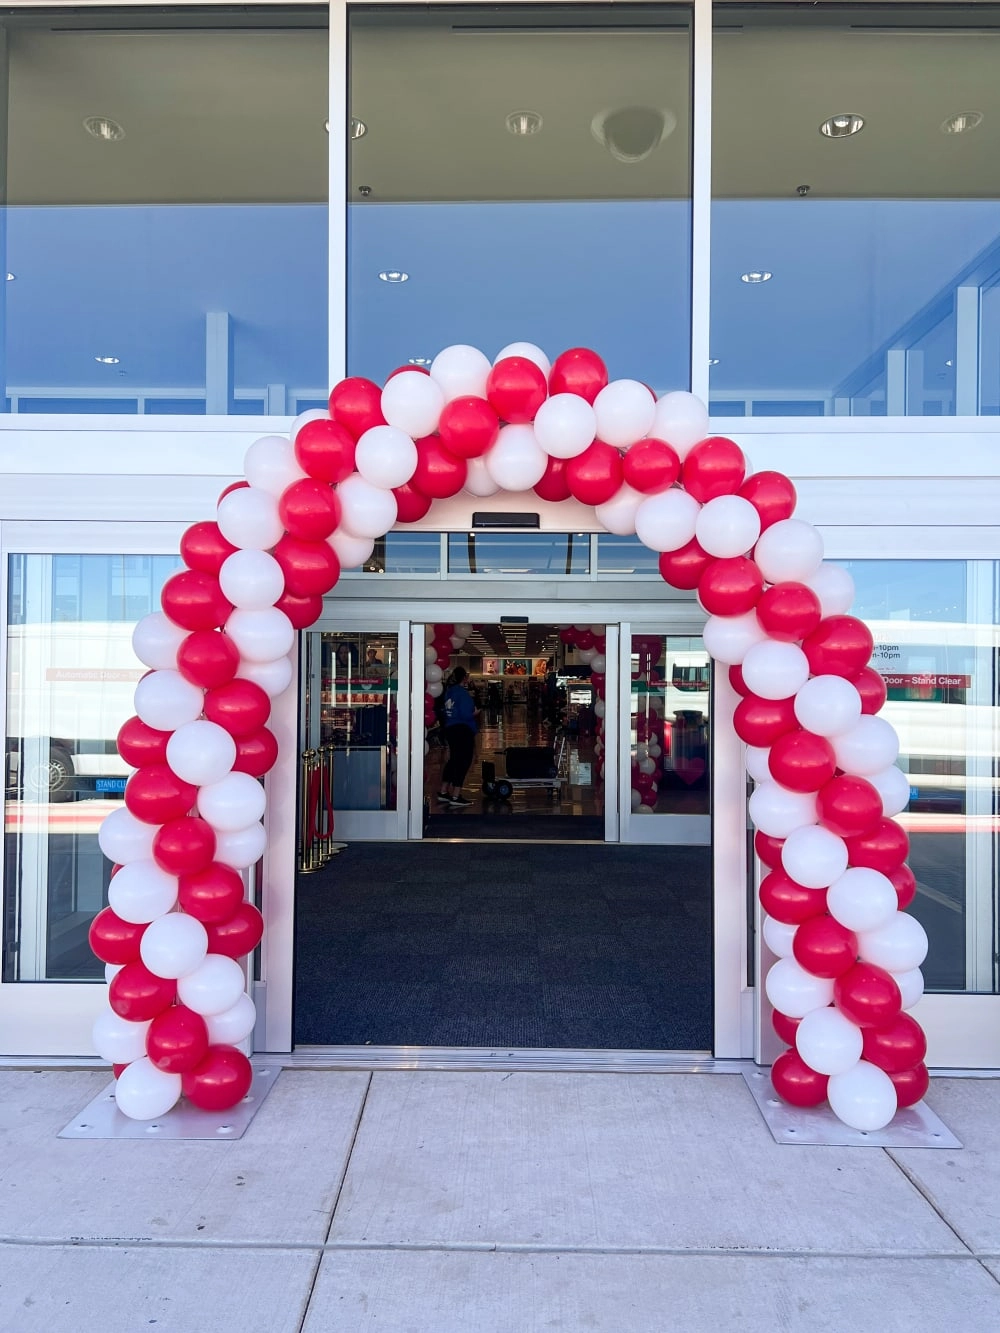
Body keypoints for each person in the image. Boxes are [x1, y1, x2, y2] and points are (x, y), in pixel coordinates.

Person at [438, 667, 478, 807]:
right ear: (464, 678)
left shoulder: (449, 692)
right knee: (463, 761)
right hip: (463, 730)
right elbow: (466, 714)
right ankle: (456, 795)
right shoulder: (463, 694)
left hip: (450, 729)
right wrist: (475, 713)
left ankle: (443, 791)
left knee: (454, 760)